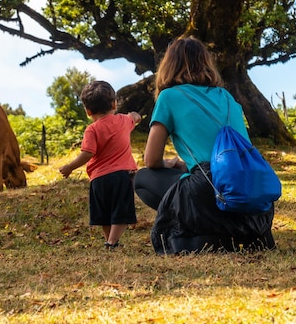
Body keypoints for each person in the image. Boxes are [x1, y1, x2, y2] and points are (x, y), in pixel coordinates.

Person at [134, 36, 276, 254]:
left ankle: (202, 232)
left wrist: (169, 163)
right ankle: (231, 232)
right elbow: (230, 152)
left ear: (168, 65)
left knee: (142, 178)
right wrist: (187, 165)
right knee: (192, 178)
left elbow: (151, 159)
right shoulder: (227, 97)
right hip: (253, 193)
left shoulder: (169, 96)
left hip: (210, 190)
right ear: (206, 63)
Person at [59, 81, 142, 249]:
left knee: (104, 213)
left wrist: (69, 167)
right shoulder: (124, 121)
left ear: (88, 111)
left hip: (99, 179)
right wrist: (135, 115)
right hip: (122, 175)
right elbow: (135, 117)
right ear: (114, 104)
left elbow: (87, 153)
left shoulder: (92, 129)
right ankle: (112, 242)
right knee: (121, 211)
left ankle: (109, 240)